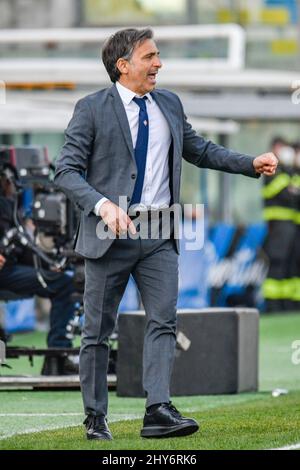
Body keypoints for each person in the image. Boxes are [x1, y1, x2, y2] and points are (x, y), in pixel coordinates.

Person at [54, 27, 278, 440]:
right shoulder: (91, 108)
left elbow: (202, 150)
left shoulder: (169, 104)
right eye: (150, 56)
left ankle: (157, 410)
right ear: (123, 66)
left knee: (163, 321)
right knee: (97, 332)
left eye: (158, 56)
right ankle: (95, 416)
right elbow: (65, 170)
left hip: (159, 232)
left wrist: (251, 163)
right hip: (108, 233)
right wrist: (103, 204)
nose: (159, 64)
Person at [0, 174, 78, 375]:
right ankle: (58, 355)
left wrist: (48, 264)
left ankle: (58, 355)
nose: (10, 184)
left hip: (8, 270)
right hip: (6, 272)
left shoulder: (9, 205)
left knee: (64, 281)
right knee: (65, 283)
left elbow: (17, 247)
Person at [262, 138, 296, 312]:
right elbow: (288, 195)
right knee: (277, 265)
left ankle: (286, 305)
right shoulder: (273, 172)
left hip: (289, 227)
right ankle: (273, 305)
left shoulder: (288, 172)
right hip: (277, 228)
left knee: (289, 267)